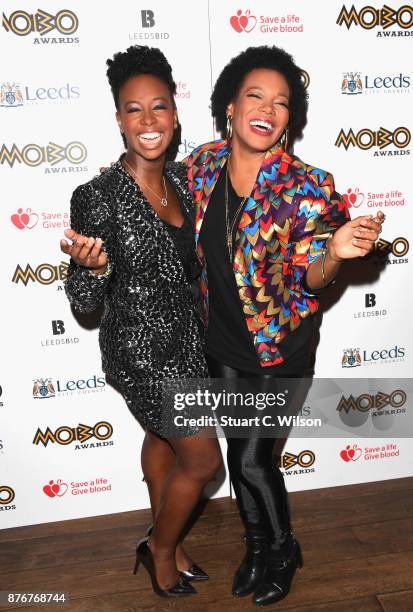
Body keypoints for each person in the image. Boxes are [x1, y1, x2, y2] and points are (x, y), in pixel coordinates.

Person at [186, 45, 384, 606]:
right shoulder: (202, 166)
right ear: (230, 105)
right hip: (219, 341)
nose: (267, 109)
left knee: (253, 457)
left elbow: (314, 279)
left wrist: (336, 254)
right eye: (255, 95)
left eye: (281, 102)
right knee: (235, 454)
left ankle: (282, 548)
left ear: (289, 120)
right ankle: (255, 547)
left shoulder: (308, 187)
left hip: (281, 347)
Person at [60, 45, 221, 598]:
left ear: (176, 115)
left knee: (161, 440)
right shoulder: (97, 196)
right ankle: (158, 548)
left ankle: (169, 542)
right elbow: (83, 302)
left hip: (188, 344)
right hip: (140, 350)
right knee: (201, 461)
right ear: (119, 120)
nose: (148, 121)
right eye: (134, 110)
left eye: (159, 108)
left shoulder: (186, 180)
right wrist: (91, 269)